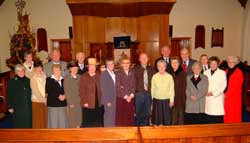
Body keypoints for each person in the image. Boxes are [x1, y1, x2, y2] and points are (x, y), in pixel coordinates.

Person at [80, 58, 104, 127]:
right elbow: (81, 91)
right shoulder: (84, 77)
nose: (92, 68)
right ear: (88, 67)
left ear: (96, 67)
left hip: (98, 103)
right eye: (90, 66)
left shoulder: (100, 75)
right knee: (88, 123)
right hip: (88, 104)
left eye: (94, 66)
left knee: (98, 122)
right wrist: (84, 102)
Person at [204, 56, 227, 123]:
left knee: (217, 118)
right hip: (208, 97)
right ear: (209, 64)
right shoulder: (205, 72)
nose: (213, 65)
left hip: (217, 98)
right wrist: (205, 92)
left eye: (215, 64)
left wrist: (213, 93)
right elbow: (203, 84)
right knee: (208, 117)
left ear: (218, 64)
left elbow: (223, 85)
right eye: (211, 63)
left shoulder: (222, 73)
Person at [151, 60, 174, 125]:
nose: (161, 68)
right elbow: (152, 89)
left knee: (166, 119)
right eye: (159, 66)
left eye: (163, 66)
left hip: (166, 100)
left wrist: (171, 100)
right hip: (157, 100)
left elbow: (172, 89)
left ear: (165, 67)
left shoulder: (169, 76)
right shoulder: (154, 76)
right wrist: (152, 100)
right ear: (157, 67)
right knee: (157, 120)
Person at [133, 53, 154, 126]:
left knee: (147, 114)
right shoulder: (135, 69)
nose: (144, 59)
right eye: (142, 58)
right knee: (138, 113)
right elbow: (133, 82)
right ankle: (138, 130)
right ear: (139, 59)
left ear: (148, 59)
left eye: (146, 58)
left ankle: (146, 130)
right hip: (139, 94)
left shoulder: (152, 69)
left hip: (148, 94)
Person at [115, 57, 136, 126]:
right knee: (121, 116)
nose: (126, 65)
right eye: (124, 63)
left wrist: (131, 95)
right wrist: (126, 96)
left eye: (127, 63)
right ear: (121, 64)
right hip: (121, 98)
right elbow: (118, 87)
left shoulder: (132, 73)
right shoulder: (118, 73)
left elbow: (134, 85)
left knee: (129, 116)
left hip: (130, 98)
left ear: (130, 64)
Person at [224, 56, 244, 123]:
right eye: (229, 62)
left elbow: (235, 87)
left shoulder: (239, 72)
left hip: (234, 97)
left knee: (233, 113)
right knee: (227, 112)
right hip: (226, 95)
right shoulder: (226, 71)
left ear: (235, 63)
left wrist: (226, 95)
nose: (230, 63)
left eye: (232, 62)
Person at [64, 61, 81, 128]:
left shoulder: (80, 77)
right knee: (72, 120)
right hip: (72, 102)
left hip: (79, 102)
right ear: (70, 69)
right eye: (73, 68)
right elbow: (67, 91)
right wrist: (70, 102)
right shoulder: (67, 78)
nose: (75, 70)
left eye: (76, 68)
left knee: (79, 119)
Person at [169, 57, 186, 125]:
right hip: (171, 97)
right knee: (172, 117)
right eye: (173, 62)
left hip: (180, 98)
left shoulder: (182, 73)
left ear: (179, 63)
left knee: (179, 117)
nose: (174, 64)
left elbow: (184, 87)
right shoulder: (169, 73)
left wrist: (183, 99)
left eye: (176, 62)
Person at [30, 61, 47, 128]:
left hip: (45, 100)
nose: (39, 69)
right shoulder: (33, 78)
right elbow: (36, 92)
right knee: (38, 120)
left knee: (45, 119)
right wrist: (44, 100)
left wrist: (46, 98)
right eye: (37, 67)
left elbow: (46, 88)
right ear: (34, 68)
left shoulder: (44, 75)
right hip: (37, 101)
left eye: (40, 67)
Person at [100, 58, 116, 127]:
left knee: (113, 116)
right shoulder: (104, 74)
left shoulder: (114, 73)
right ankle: (107, 131)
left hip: (114, 98)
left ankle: (112, 130)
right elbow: (103, 89)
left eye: (112, 64)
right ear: (106, 65)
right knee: (108, 116)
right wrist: (107, 101)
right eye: (109, 64)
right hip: (108, 100)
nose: (111, 65)